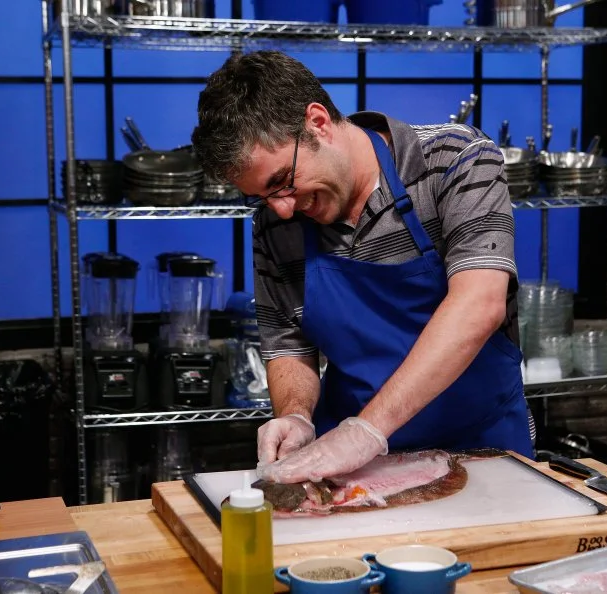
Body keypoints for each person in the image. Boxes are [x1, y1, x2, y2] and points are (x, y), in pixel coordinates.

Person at [192, 50, 534, 485]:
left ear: (317, 122)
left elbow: (479, 304)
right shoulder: (277, 225)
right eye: (261, 196)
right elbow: (289, 345)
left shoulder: (456, 160)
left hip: (481, 450)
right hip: (353, 470)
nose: (279, 208)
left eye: (281, 181)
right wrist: (296, 416)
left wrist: (367, 430)